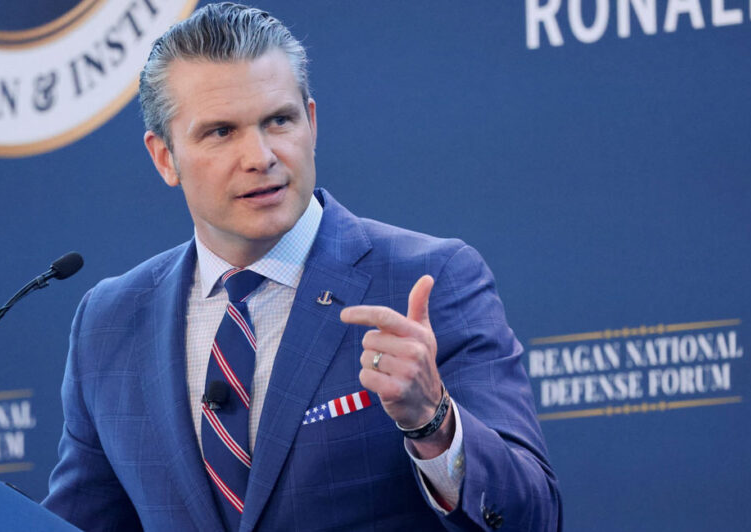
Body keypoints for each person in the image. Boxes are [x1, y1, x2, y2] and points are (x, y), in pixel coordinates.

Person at [43, 3, 561, 530]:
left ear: (310, 123)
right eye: (221, 132)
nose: (261, 156)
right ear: (165, 157)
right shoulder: (109, 321)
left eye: (279, 120)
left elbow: (533, 517)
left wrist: (433, 420)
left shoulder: (428, 279)